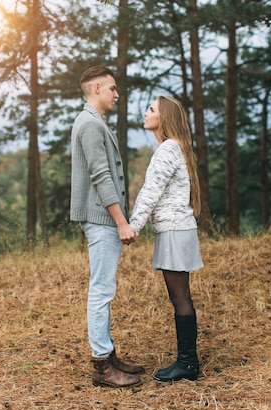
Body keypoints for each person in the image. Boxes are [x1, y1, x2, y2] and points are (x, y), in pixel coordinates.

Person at [70, 65, 144, 388]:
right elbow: (101, 175)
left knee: (104, 287)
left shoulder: (94, 122)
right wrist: (121, 222)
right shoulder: (89, 124)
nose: (117, 94)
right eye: (112, 88)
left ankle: (108, 354)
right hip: (102, 220)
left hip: (103, 219)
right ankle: (101, 366)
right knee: (101, 289)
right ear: (97, 88)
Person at [129, 96, 204, 382]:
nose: (146, 113)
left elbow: (151, 192)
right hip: (177, 229)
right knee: (180, 296)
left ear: (164, 118)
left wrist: (133, 226)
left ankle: (187, 363)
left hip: (174, 230)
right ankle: (188, 361)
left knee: (180, 297)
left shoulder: (168, 149)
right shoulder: (175, 148)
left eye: (152, 110)